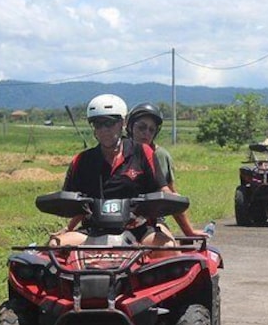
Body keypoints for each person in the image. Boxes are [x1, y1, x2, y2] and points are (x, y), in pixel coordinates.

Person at [50, 94, 178, 252]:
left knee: (168, 247)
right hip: (94, 230)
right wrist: (67, 227)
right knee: (55, 245)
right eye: (98, 124)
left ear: (122, 123)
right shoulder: (82, 161)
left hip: (137, 229)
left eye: (109, 123)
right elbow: (76, 204)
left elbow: (162, 188)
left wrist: (172, 199)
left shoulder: (142, 152)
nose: (104, 130)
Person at [126, 102, 205, 239]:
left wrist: (189, 231)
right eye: (141, 128)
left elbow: (169, 193)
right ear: (130, 127)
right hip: (115, 218)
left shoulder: (159, 155)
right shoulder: (117, 152)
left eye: (152, 130)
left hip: (151, 220)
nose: (146, 133)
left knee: (168, 249)